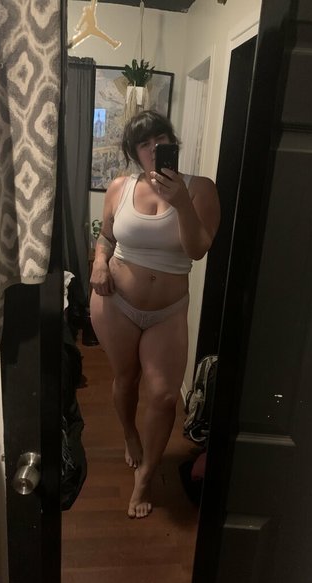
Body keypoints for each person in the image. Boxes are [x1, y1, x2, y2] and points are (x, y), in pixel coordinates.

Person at [89, 110, 220, 518]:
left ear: (171, 144)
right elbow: (106, 237)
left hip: (168, 311)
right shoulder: (120, 187)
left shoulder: (200, 189)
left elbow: (197, 249)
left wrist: (180, 202)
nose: (152, 149)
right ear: (134, 153)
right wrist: (99, 262)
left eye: (159, 140)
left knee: (163, 395)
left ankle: (146, 475)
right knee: (125, 378)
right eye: (143, 144)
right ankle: (130, 435)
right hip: (116, 303)